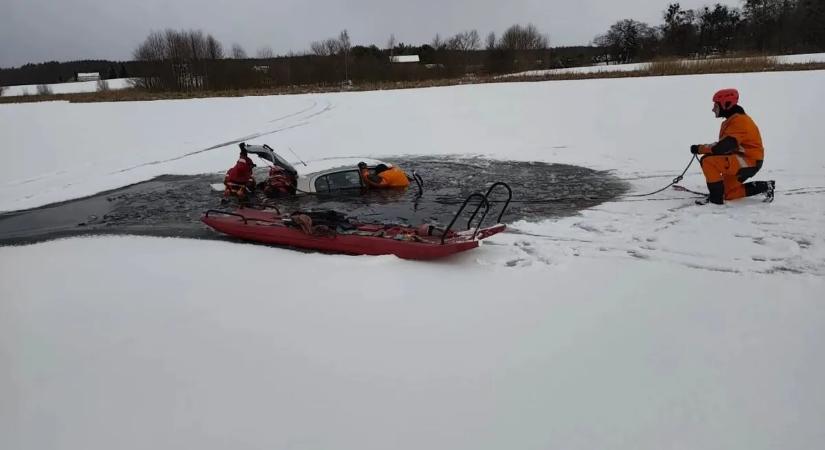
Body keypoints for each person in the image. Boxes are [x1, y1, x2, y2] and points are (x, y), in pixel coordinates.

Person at [690, 88, 775, 205]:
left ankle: (715, 200)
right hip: (744, 160)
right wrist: (703, 148)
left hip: (748, 161)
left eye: (716, 106)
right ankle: (765, 186)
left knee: (707, 161)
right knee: (728, 194)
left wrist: (700, 149)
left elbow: (722, 148)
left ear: (726, 104)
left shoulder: (740, 122)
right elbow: (723, 146)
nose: (713, 109)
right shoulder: (733, 120)